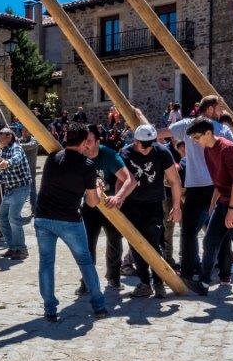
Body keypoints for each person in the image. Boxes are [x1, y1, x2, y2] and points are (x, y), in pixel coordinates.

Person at [160, 95, 233, 282]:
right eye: (219, 109)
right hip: (215, 189)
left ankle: (193, 274)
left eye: (196, 138)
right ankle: (217, 275)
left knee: (196, 233)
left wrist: (231, 208)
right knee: (215, 238)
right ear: (210, 109)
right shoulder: (217, 135)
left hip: (223, 193)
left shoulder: (195, 128)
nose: (221, 112)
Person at [182, 119, 233, 304]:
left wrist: (232, 210)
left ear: (208, 133)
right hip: (225, 201)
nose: (195, 141)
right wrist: (213, 204)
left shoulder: (228, 148)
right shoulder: (208, 149)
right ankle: (203, 283)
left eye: (197, 137)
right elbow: (218, 179)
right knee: (210, 241)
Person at [33, 122, 108, 321]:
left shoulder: (51, 158)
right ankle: (99, 305)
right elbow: (92, 203)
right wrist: (99, 188)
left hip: (42, 217)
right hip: (69, 220)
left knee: (46, 263)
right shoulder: (87, 166)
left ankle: (50, 310)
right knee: (85, 261)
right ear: (84, 142)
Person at [120, 125, 182, 298]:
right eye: (143, 144)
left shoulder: (161, 152)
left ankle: (159, 282)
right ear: (135, 141)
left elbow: (174, 181)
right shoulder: (125, 154)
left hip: (154, 204)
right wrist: (118, 199)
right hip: (132, 205)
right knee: (136, 244)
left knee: (155, 243)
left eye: (150, 144)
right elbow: (119, 179)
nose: (146, 148)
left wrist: (176, 207)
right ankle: (145, 283)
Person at [82, 124, 136, 293]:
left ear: (98, 141)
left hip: (110, 205)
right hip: (90, 205)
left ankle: (113, 278)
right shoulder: (79, 155)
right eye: (83, 141)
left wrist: (119, 197)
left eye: (89, 141)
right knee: (87, 244)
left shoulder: (109, 155)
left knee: (114, 242)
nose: (85, 144)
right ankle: (86, 282)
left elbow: (129, 180)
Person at [0, 127, 32, 261]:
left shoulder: (16, 148)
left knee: (13, 217)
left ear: (9, 136)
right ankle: (13, 247)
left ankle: (22, 249)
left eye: (0, 134)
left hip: (21, 188)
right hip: (10, 189)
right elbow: (4, 173)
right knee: (2, 218)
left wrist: (7, 162)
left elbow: (16, 159)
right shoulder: (4, 150)